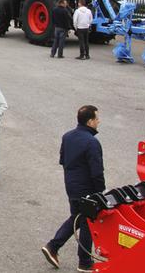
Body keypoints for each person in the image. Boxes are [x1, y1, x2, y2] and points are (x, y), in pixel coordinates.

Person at [41, 106, 104, 273]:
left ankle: (53, 246)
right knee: (87, 222)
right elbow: (97, 171)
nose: (99, 121)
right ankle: (84, 262)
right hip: (87, 190)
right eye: (97, 118)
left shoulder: (67, 136)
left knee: (77, 218)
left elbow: (63, 160)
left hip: (71, 187)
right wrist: (100, 193)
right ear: (90, 121)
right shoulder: (92, 142)